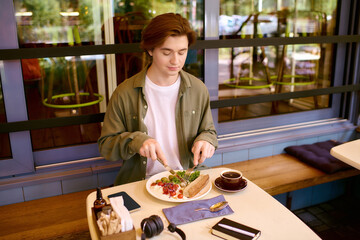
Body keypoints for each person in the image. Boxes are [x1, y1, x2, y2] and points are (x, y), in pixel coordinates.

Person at [98, 13, 218, 185]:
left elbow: (210, 132)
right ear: (150, 49)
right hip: (141, 182)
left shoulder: (198, 89)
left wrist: (206, 140)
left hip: (187, 180)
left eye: (182, 52)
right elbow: (106, 146)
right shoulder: (125, 92)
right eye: (166, 52)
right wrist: (136, 141)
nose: (175, 61)